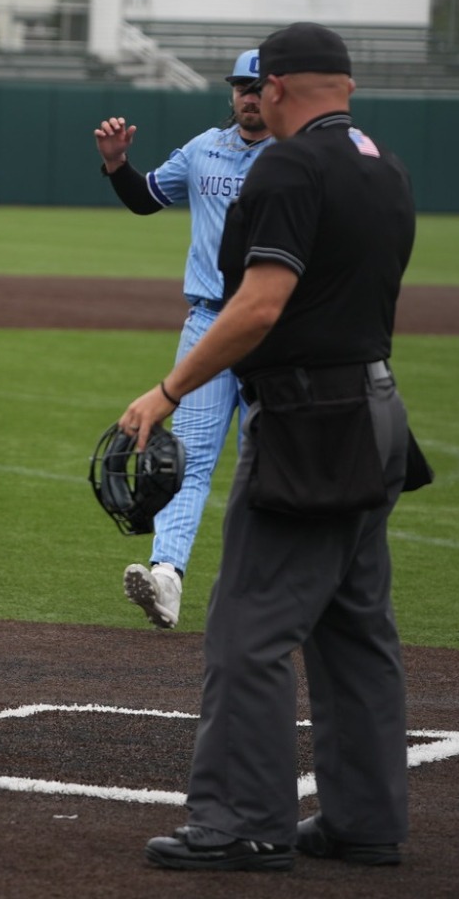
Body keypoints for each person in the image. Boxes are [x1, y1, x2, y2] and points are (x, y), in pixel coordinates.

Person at [116, 23, 423, 871]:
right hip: (378, 413)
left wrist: (168, 389)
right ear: (347, 87)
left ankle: (243, 821)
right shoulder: (380, 165)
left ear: (277, 87)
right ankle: (365, 821)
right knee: (355, 630)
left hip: (308, 424)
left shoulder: (288, 166)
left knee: (248, 629)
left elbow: (255, 307)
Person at [94, 49, 273, 630]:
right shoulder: (204, 149)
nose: (249, 96)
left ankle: (272, 588)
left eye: (259, 86)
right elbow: (147, 198)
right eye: (241, 86)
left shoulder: (300, 159)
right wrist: (118, 165)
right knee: (187, 460)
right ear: (231, 94)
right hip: (207, 324)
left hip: (275, 328)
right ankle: (166, 576)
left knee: (269, 462)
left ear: (280, 93)